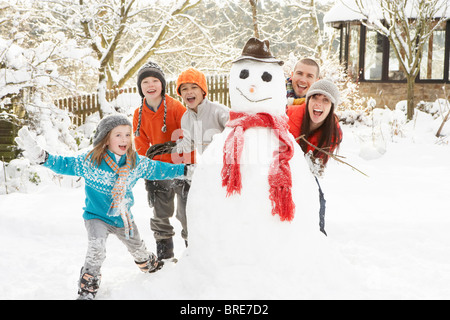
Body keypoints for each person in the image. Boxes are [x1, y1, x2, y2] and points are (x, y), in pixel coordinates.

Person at [15, 114, 193, 300]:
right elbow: (64, 165)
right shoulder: (90, 161)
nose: (124, 139)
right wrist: (42, 157)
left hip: (123, 217)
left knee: (137, 249)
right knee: (96, 249)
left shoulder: (135, 163)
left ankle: (148, 264)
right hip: (96, 216)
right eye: (118, 135)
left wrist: (185, 170)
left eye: (127, 135)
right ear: (106, 138)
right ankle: (88, 288)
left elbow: (158, 169)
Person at [133, 61, 194, 262]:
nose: (150, 85)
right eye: (145, 82)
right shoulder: (139, 114)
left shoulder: (176, 107)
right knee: (160, 214)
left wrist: (188, 166)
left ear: (162, 84)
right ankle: (165, 255)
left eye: (155, 81)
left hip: (180, 168)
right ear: (140, 87)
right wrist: (146, 168)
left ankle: (191, 252)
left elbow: (187, 138)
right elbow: (141, 143)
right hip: (157, 170)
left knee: (186, 213)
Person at [286, 79, 343, 235]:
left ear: (332, 107)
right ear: (308, 100)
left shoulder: (333, 133)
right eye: (315, 97)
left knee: (318, 200)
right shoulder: (288, 115)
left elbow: (316, 167)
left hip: (304, 170)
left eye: (325, 100)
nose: (319, 103)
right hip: (280, 166)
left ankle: (317, 237)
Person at [175, 67, 229, 155]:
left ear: (203, 91)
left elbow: (236, 133)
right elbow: (189, 144)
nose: (189, 92)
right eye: (184, 89)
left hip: (225, 163)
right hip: (206, 164)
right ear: (180, 94)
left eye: (194, 87)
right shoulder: (186, 118)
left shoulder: (219, 112)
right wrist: (171, 147)